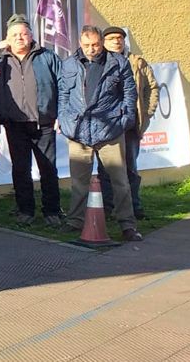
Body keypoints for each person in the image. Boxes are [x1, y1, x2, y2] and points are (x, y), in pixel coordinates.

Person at [57, 26, 142, 242]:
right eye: (86, 45)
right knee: (79, 181)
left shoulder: (118, 62)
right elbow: (63, 94)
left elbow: (129, 94)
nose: (91, 49)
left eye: (95, 44)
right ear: (79, 43)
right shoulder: (68, 64)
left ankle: (127, 224)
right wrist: (65, 120)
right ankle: (75, 221)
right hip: (78, 130)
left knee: (120, 180)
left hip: (110, 129)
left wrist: (126, 119)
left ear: (101, 41)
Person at [0, 16, 65, 227]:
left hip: (44, 123)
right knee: (21, 169)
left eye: (23, 34)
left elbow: (64, 85)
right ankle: (25, 210)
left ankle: (52, 211)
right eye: (15, 35)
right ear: (7, 39)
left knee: (48, 169)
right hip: (14, 124)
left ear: (31, 36)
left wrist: (61, 114)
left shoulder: (47, 57)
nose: (20, 38)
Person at [97, 26, 156, 220]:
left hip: (130, 125)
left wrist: (146, 113)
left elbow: (152, 88)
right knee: (106, 169)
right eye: (112, 38)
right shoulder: (97, 62)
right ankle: (108, 208)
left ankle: (134, 208)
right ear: (104, 42)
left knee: (130, 168)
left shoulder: (137, 62)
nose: (117, 41)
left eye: (120, 38)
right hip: (106, 125)